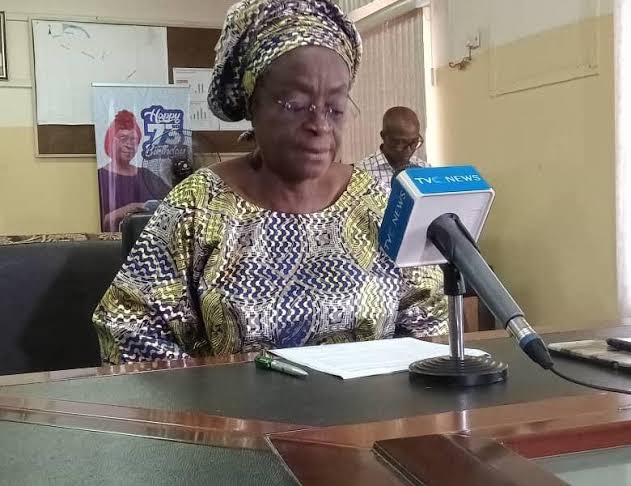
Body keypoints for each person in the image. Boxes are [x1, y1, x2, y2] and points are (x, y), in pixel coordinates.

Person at [92, 0, 447, 364]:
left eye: (336, 108)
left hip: (371, 399)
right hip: (231, 401)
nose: (320, 125)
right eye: (296, 104)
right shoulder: (197, 205)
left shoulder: (379, 203)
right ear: (253, 105)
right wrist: (210, 390)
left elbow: (430, 322)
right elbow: (129, 331)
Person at [97, 110, 171, 232]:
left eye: (134, 140)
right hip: (116, 241)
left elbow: (171, 203)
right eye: (123, 138)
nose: (129, 145)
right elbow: (101, 222)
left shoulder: (147, 175)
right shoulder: (100, 178)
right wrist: (129, 209)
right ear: (110, 142)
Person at [355, 106, 427, 186]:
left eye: (414, 142)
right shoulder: (361, 173)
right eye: (400, 143)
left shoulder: (426, 170)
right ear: (383, 136)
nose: (408, 150)